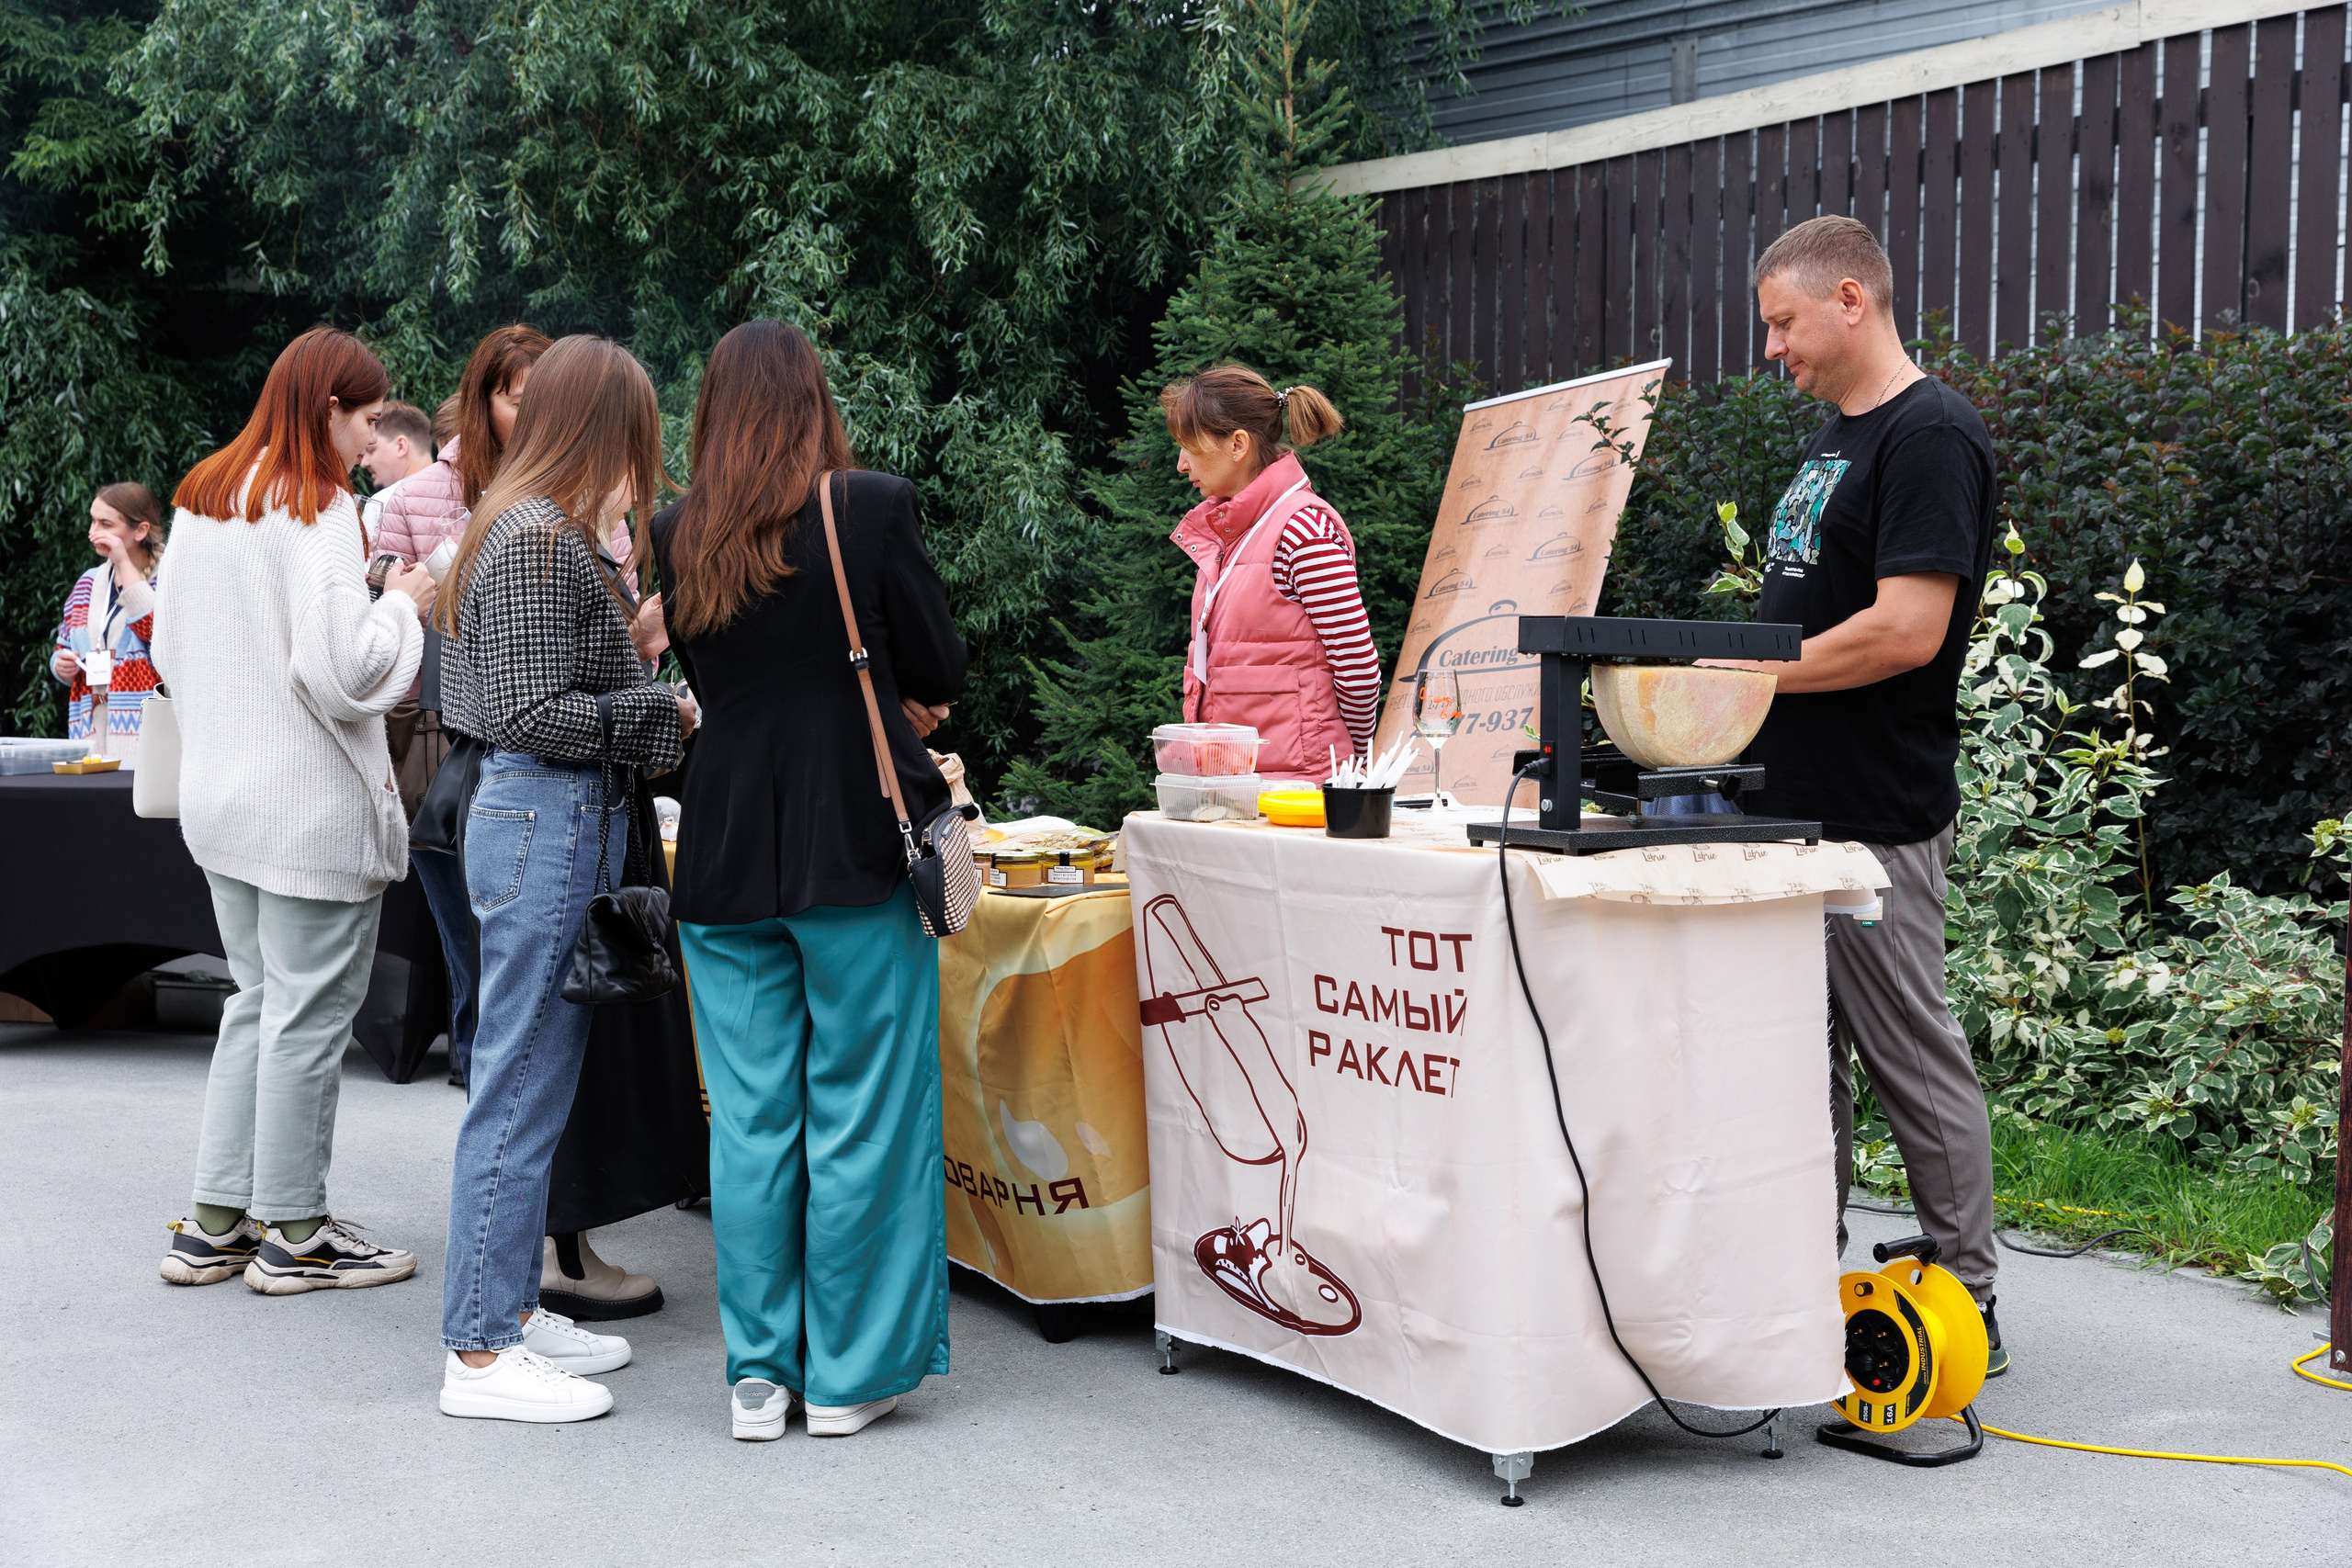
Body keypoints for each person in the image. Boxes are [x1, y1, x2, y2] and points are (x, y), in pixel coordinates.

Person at [651, 320, 965, 1440]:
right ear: (812, 400)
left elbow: (709, 674)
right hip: (853, 843)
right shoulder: (866, 506)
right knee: (862, 1113)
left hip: (725, 848)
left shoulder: (673, 530)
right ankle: (844, 1375)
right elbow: (938, 666)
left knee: (745, 1123)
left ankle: (757, 1374)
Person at [1709, 215, 2006, 1375]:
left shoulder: (1926, 435)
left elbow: (1905, 629)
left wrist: (1745, 678)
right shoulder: (1840, 438)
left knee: (1905, 1048)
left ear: (1849, 298)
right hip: (1793, 802)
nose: (1771, 348)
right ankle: (1799, 1274)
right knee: (1795, 1055)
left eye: (1781, 323)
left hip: (1871, 815)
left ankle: (1968, 1296)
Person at [433, 334, 691, 1423]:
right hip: (546, 819)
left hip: (539, 821)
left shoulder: (521, 527)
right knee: (519, 1090)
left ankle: (511, 1317)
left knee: (530, 1081)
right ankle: (481, 1353)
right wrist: (661, 712)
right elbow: (526, 714)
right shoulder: (540, 540)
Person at [148, 326, 433, 1293]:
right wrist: (404, 607)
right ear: (328, 411)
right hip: (305, 806)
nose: (372, 436)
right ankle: (299, 1235)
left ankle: (216, 1222)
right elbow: (342, 671)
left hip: (220, 798)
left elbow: (174, 656)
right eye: (365, 416)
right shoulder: (318, 508)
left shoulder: (202, 498)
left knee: (258, 1004)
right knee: (307, 1019)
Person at [373, 327, 549, 1092]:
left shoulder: (578, 484)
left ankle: (498, 1079)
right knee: (470, 936)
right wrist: (414, 577)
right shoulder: (415, 496)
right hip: (438, 743)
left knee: (522, 937)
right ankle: (483, 1073)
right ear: (483, 400)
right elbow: (374, 597)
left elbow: (618, 612)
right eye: (518, 395)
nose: (534, 409)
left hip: (545, 740)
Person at [1162, 364, 1379, 782]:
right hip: (1241, 788)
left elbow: (1357, 666)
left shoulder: (1304, 530)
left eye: (1187, 446)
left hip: (1302, 794)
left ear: (1237, 444)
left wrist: (1350, 766)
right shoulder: (1230, 535)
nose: (1181, 464)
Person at [52, 483, 167, 766]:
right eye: (93, 520)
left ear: (140, 531)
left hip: (144, 730)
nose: (93, 532)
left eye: (105, 524)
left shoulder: (167, 577)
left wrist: (122, 561)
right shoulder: (89, 582)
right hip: (89, 728)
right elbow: (64, 645)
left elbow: (154, 632)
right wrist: (61, 665)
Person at [358, 400, 434, 535]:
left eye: (371, 450)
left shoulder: (381, 505)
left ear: (401, 446)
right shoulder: (460, 491)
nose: (364, 463)